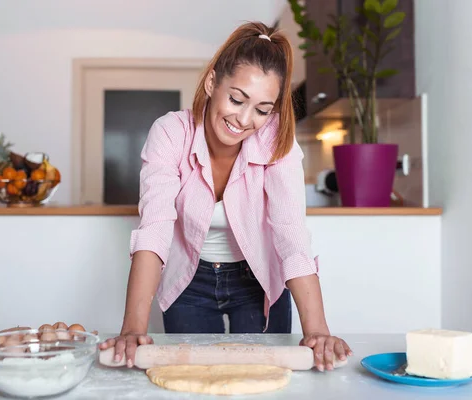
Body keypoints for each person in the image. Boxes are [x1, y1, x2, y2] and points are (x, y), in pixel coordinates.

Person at [99, 21, 352, 372]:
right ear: (212, 82)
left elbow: (291, 234)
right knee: (191, 379)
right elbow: (155, 230)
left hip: (259, 280)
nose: (244, 119)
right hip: (189, 282)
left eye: (263, 109)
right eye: (237, 99)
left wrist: (319, 332)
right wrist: (131, 329)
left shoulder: (277, 141)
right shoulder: (171, 133)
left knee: (266, 383)